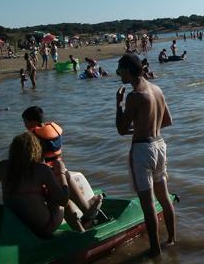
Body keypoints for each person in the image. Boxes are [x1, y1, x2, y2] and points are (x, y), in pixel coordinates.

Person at [115, 54, 176, 257]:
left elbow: (121, 129)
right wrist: (144, 127)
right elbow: (167, 121)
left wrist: (118, 104)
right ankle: (171, 240)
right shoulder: (157, 89)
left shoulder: (135, 95)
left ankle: (155, 250)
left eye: (119, 71)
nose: (118, 75)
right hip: (160, 145)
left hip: (142, 150)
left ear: (127, 70)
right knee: (164, 198)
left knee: (148, 203)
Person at [0, 132, 70, 237]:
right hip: (42, 228)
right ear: (36, 149)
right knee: (62, 195)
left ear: (13, 150)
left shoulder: (2, 167)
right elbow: (63, 200)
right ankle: (80, 231)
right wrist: (61, 172)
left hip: (14, 226)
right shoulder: (41, 169)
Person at [22, 106, 102, 231]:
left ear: (32, 122)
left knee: (66, 205)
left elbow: (35, 160)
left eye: (25, 122)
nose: (25, 125)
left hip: (48, 179)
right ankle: (81, 230)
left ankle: (86, 211)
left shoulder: (34, 136)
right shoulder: (54, 132)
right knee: (67, 205)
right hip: (60, 174)